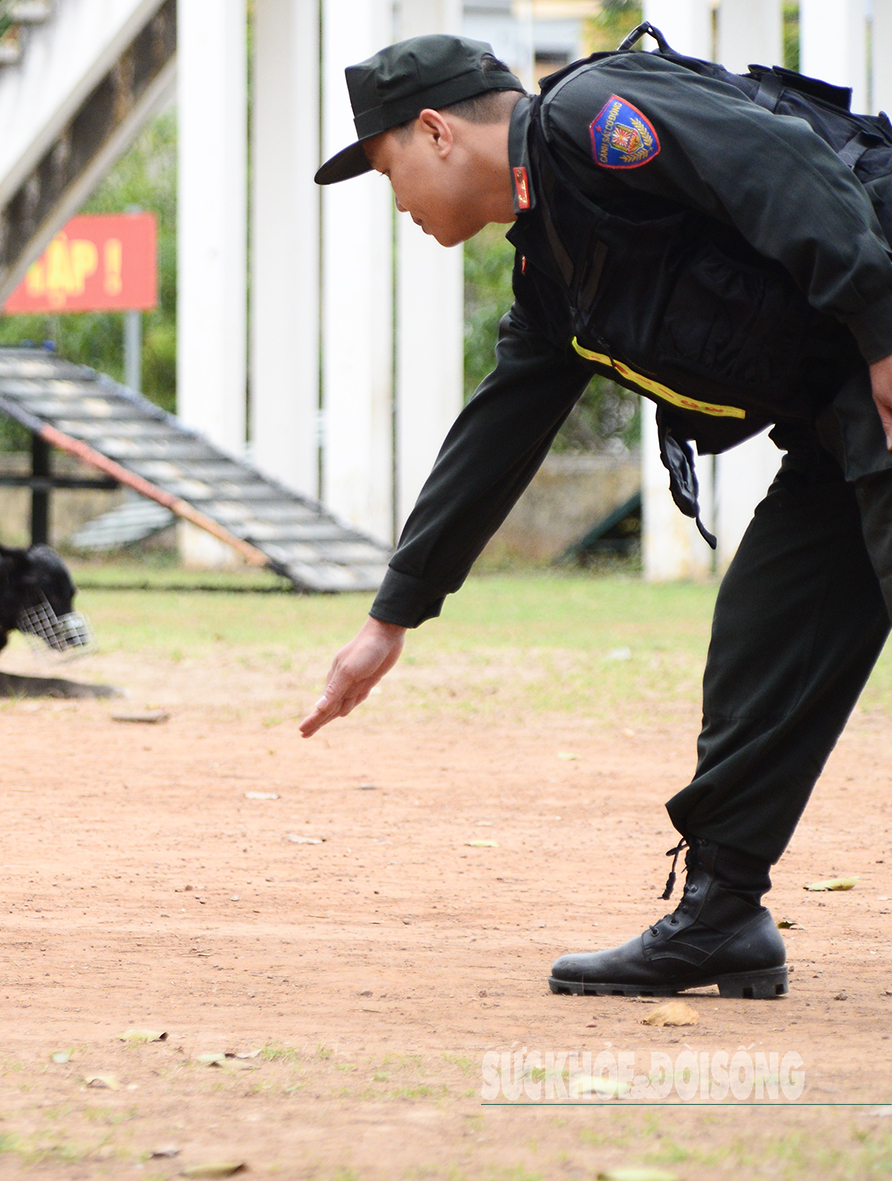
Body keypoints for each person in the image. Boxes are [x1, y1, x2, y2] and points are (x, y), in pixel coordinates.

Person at [303, 29, 892, 998]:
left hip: (879, 361)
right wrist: (387, 618)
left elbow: (777, 164)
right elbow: (495, 436)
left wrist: (879, 332)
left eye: (385, 167)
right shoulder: (551, 274)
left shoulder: (591, 117)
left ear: (434, 130)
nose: (395, 199)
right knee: (762, 647)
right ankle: (721, 913)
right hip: (839, 425)